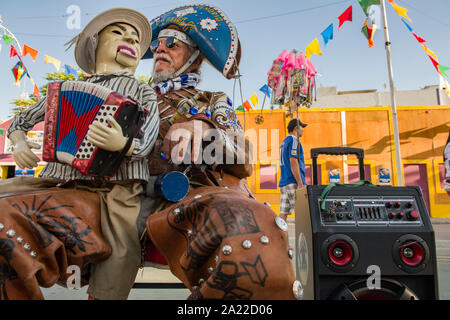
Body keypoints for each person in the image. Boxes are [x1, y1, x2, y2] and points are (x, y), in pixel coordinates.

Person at [140, 4, 299, 300]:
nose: (161, 49)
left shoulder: (213, 100)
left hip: (198, 198)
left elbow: (244, 159)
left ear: (196, 57)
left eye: (172, 43)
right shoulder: (134, 97)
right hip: (133, 197)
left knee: (250, 225)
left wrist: (205, 131)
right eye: (156, 43)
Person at [0, 8, 159, 300]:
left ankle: (105, 294)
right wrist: (20, 143)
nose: (130, 40)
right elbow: (20, 121)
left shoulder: (141, 91)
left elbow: (147, 139)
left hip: (116, 186)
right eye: (118, 32)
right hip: (58, 180)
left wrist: (122, 143)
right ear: (94, 43)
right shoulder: (60, 89)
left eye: (136, 40)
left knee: (123, 244)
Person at [278, 118, 307, 222]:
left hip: (284, 182)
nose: (303, 129)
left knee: (283, 215)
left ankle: (279, 238)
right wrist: (300, 183)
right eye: (302, 127)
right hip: (293, 182)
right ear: (296, 128)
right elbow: (293, 161)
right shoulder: (294, 140)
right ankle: (303, 238)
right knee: (302, 213)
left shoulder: (284, 142)